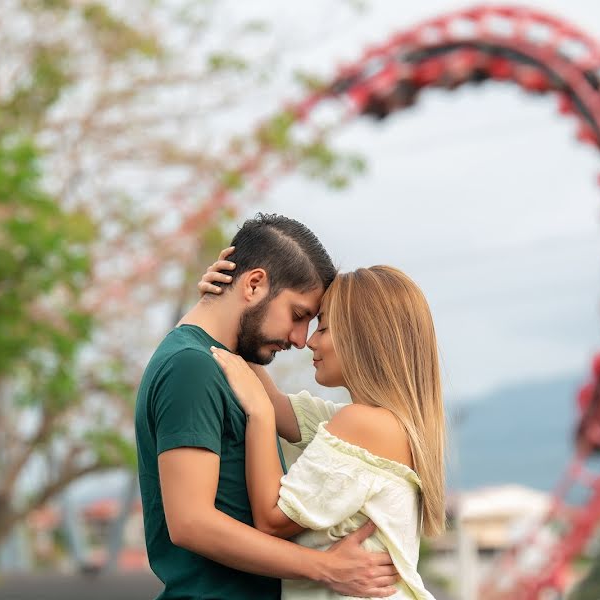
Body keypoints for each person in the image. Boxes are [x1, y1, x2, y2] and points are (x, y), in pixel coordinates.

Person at [135, 214, 401, 600]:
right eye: (297, 316)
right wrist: (326, 568)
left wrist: (214, 304)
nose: (299, 339)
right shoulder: (191, 367)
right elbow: (190, 522)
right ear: (255, 283)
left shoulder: (221, 365)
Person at [202, 251, 445, 599]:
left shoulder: (363, 425)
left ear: (365, 339)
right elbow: (279, 405)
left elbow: (271, 520)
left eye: (325, 327)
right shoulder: (374, 423)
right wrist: (228, 308)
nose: (309, 341)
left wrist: (259, 415)